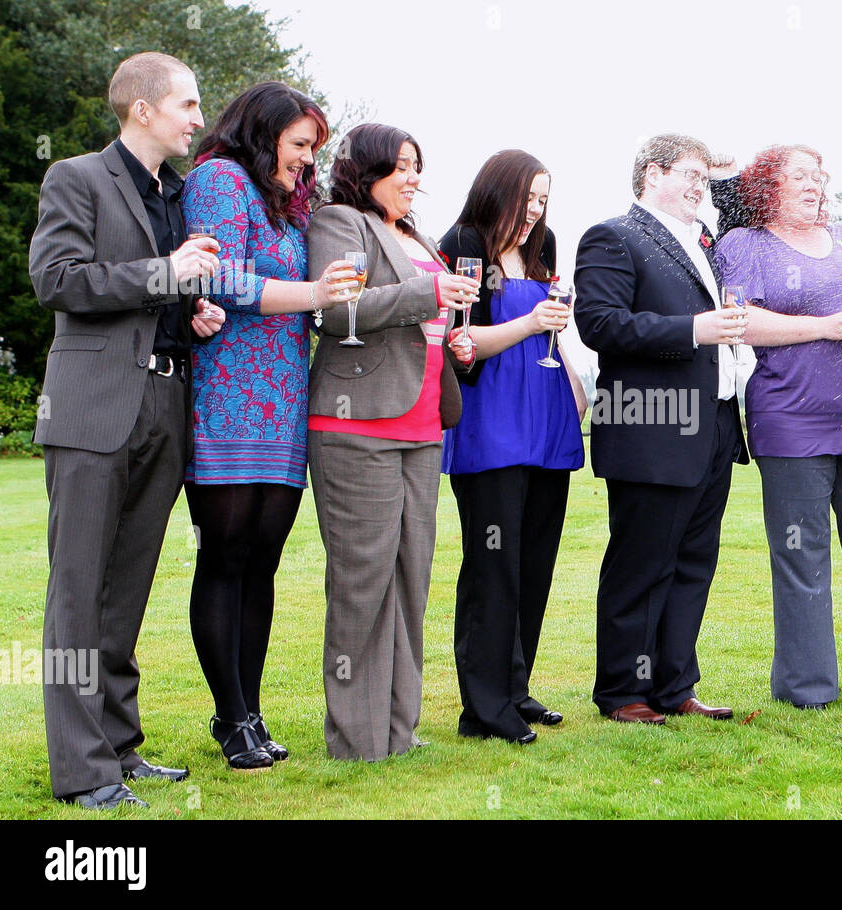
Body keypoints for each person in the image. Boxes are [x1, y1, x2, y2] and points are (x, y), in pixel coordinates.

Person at [28, 52, 226, 809]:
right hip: (91, 410)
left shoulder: (172, 195)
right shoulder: (76, 178)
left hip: (165, 409)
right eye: (188, 104)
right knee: (78, 593)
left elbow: (158, 295)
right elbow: (58, 280)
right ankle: (83, 773)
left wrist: (190, 313)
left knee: (127, 590)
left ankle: (117, 744)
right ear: (142, 109)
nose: (198, 119)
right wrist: (163, 276)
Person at [181, 82, 357, 769]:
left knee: (262, 564)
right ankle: (230, 719)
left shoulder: (291, 204)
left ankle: (250, 712)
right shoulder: (219, 178)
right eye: (299, 146)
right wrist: (314, 293)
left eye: (315, 149)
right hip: (227, 397)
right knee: (224, 559)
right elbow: (221, 278)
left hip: (284, 400)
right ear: (264, 132)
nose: (308, 161)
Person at [712, 145, 842, 709]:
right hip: (791, 421)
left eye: (819, 176)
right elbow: (740, 320)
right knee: (803, 555)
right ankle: (807, 686)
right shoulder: (743, 245)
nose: (814, 184)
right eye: (800, 175)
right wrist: (826, 325)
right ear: (766, 186)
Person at [306, 123, 477, 760]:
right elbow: (334, 313)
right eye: (401, 166)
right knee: (361, 583)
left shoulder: (415, 235)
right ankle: (355, 739)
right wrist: (429, 293)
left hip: (422, 426)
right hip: (357, 426)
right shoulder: (339, 221)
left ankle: (398, 731)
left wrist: (451, 340)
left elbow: (420, 321)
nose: (413, 178)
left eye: (417, 167)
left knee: (411, 581)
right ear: (366, 168)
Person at [574, 133, 749, 725]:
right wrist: (694, 331)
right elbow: (601, 324)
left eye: (706, 177)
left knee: (694, 563)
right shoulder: (613, 236)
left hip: (717, 426)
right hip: (652, 428)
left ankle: (675, 687)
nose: (701, 186)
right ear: (652, 174)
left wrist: (728, 172)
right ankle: (624, 692)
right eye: (690, 174)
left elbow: (747, 205)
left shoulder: (703, 240)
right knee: (641, 564)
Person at [438, 150, 587, 744]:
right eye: (526, 198)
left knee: (533, 563)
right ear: (496, 192)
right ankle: (482, 707)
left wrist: (574, 381)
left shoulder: (543, 248)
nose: (534, 212)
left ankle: (515, 687)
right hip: (491, 422)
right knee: (492, 567)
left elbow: (551, 323)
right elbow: (459, 339)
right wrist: (529, 326)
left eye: (543, 200)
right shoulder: (464, 243)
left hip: (546, 418)